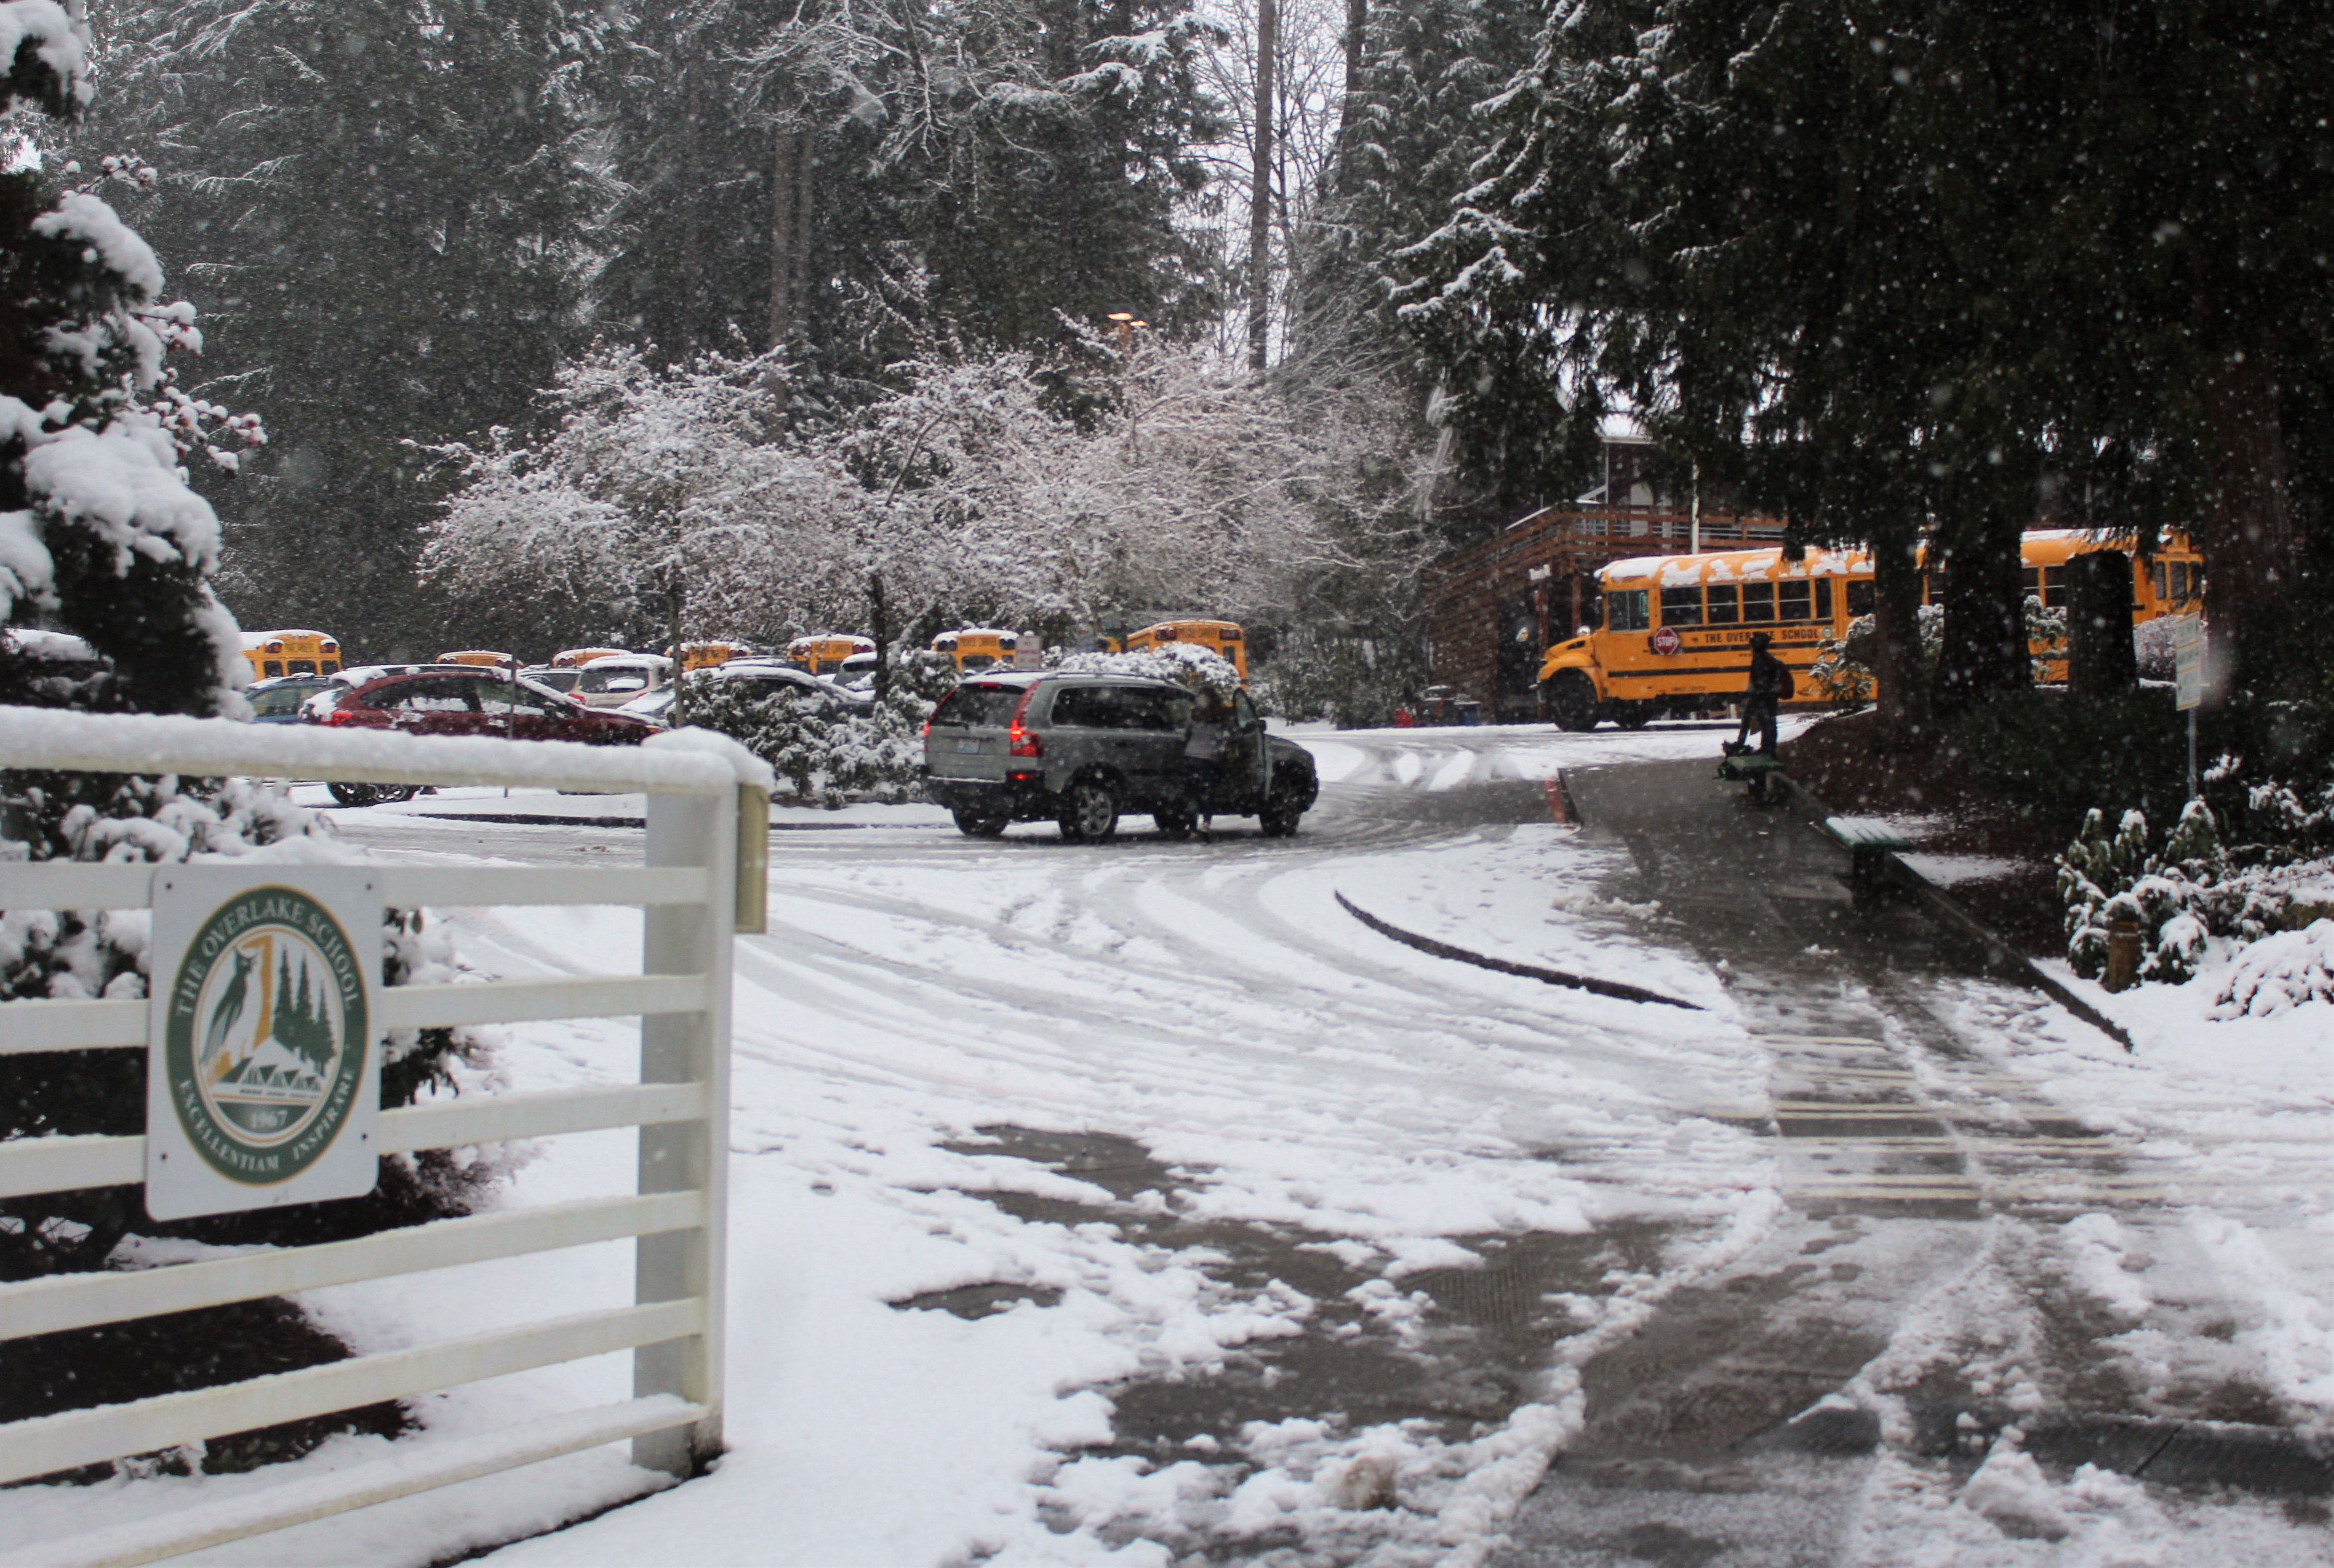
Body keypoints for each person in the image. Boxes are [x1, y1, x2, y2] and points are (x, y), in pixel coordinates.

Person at [1183, 688, 1230, 837]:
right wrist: (1220, 753)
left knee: (1192, 794)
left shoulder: (1194, 715)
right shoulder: (1221, 717)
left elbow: (1185, 735)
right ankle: (1206, 824)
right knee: (1208, 793)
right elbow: (1225, 738)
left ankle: (1192, 828)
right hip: (1208, 759)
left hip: (1191, 757)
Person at [1736, 632, 1792, 756]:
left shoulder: (1763, 660)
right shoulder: (1764, 658)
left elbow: (1760, 681)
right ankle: (1767, 748)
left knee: (1764, 722)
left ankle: (1766, 748)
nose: (1752, 647)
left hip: (1764, 697)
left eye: (1753, 644)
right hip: (1766, 696)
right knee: (1767, 722)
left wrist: (1755, 695)